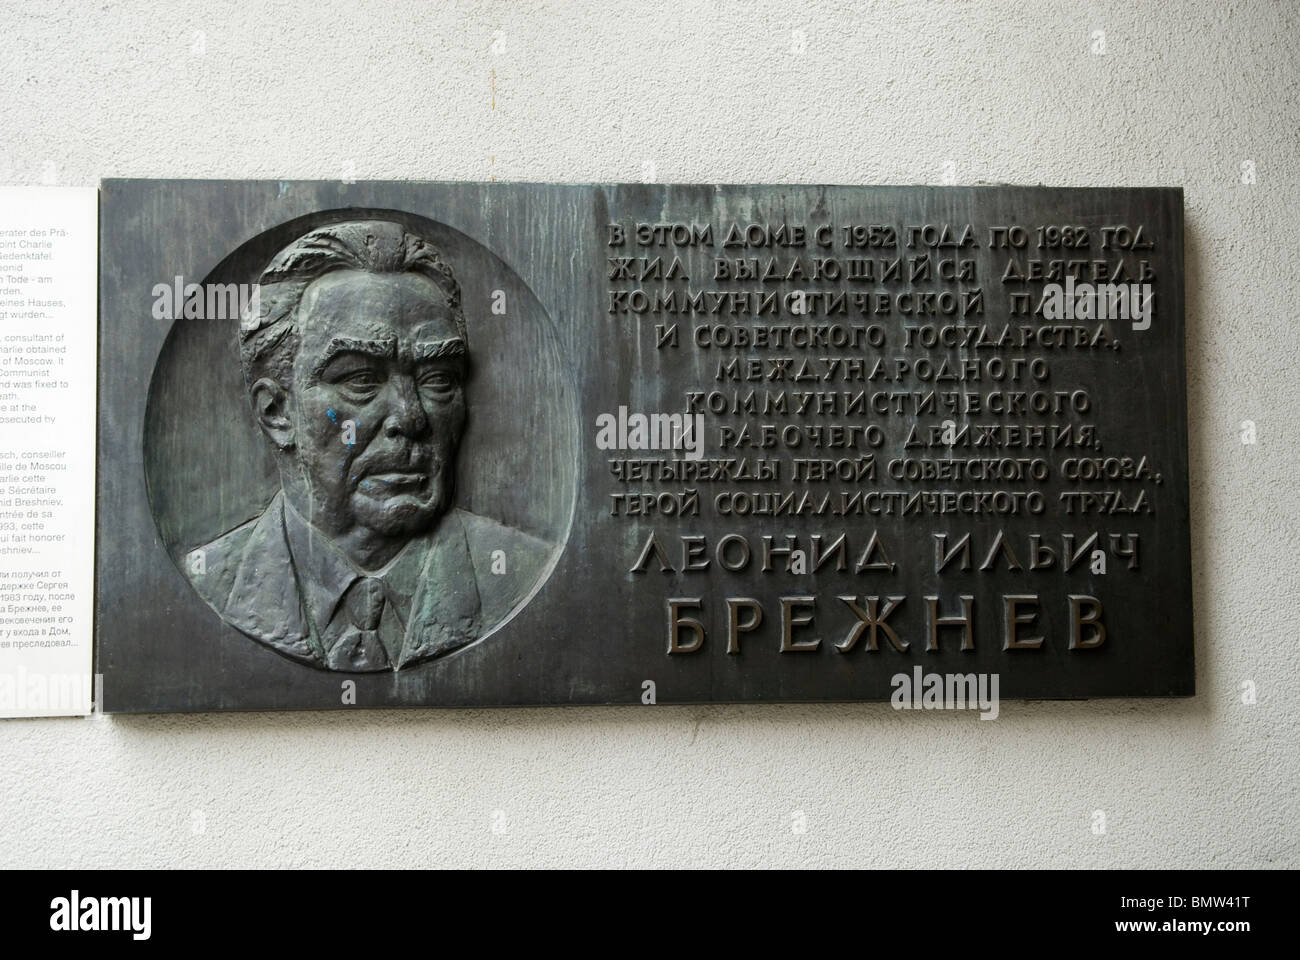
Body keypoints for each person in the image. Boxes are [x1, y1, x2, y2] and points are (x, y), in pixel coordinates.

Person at [188, 220, 550, 672]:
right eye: (360, 379)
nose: (410, 417)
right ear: (277, 413)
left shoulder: (519, 572)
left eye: (437, 380)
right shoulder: (207, 578)